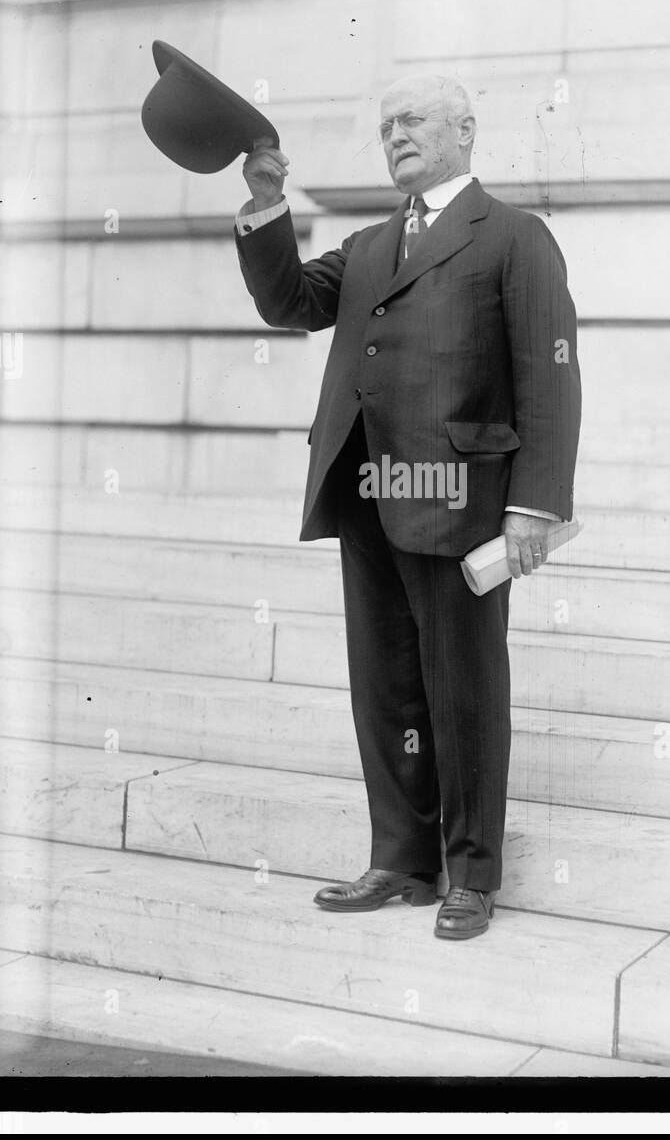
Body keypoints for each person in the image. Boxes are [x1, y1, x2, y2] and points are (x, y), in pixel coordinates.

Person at [234, 75, 581, 940]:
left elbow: (550, 376)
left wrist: (533, 504)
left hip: (460, 499)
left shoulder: (514, 237)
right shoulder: (368, 243)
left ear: (465, 130)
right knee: (384, 687)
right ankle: (400, 856)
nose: (394, 135)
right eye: (385, 124)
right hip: (367, 494)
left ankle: (469, 873)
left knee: (461, 691)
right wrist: (266, 207)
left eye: (412, 120)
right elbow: (287, 303)